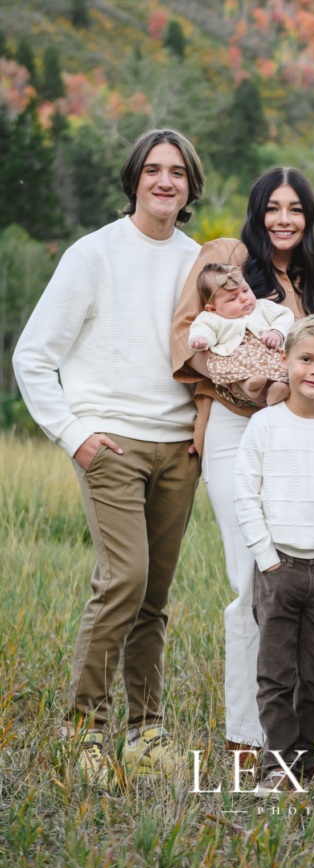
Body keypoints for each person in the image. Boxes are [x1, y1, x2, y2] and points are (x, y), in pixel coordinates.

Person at [13, 128, 204, 786]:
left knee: (153, 593)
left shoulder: (199, 260)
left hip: (179, 446)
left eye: (177, 172)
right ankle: (82, 731)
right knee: (122, 580)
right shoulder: (93, 255)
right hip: (111, 442)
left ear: (190, 187)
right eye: (152, 170)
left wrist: (202, 430)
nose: (164, 182)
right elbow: (32, 356)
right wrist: (75, 435)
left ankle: (145, 733)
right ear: (134, 180)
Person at [171, 167, 314, 751]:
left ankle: (295, 725)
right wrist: (237, 387)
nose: (283, 220)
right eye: (272, 208)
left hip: (297, 437)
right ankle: (248, 733)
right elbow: (186, 332)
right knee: (250, 576)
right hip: (236, 432)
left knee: (295, 575)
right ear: (256, 212)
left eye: (295, 208)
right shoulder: (228, 257)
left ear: (308, 217)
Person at [233, 315, 314, 795]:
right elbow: (246, 495)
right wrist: (267, 559)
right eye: (306, 359)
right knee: (275, 675)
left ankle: (310, 764)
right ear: (285, 362)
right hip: (278, 569)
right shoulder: (265, 425)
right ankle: (277, 764)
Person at [188, 263, 293, 406]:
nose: (244, 298)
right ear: (213, 309)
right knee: (236, 364)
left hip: (270, 353)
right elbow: (202, 328)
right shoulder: (213, 318)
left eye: (245, 290)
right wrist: (200, 338)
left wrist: (277, 332)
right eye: (232, 299)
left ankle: (279, 389)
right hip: (238, 358)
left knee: (285, 365)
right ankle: (248, 386)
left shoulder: (264, 306)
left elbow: (285, 315)